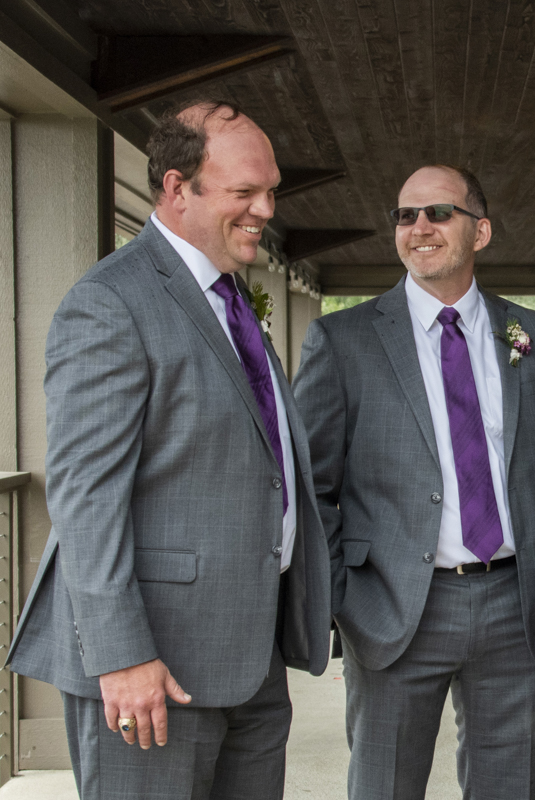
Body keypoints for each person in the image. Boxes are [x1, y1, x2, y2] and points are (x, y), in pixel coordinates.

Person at [6, 100, 331, 798]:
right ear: (177, 188)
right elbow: (87, 500)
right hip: (151, 671)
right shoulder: (110, 303)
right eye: (244, 192)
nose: (265, 209)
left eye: (270, 190)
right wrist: (123, 656)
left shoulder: (231, 299)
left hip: (250, 653)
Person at [293, 164, 535, 800]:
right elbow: (312, 488)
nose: (418, 227)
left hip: (515, 609)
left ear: (480, 232)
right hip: (394, 608)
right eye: (404, 215)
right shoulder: (344, 341)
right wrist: (346, 596)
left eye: (438, 213)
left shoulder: (534, 336)